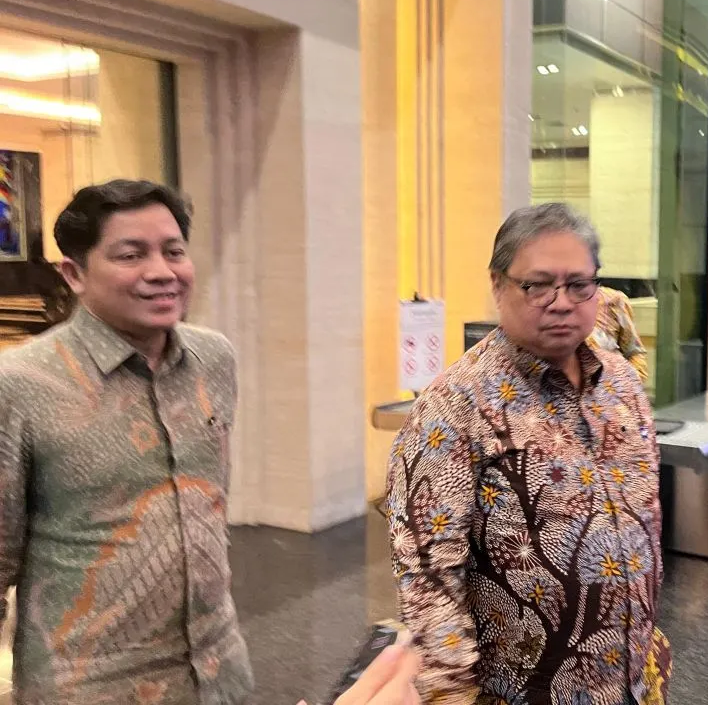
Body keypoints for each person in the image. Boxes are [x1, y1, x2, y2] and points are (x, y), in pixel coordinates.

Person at [0, 179, 421, 705]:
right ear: (74, 274)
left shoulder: (212, 359)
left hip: (219, 673)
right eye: (131, 255)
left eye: (173, 251)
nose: (161, 271)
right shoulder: (22, 384)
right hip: (92, 687)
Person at [385, 202, 671, 705]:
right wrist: (450, 696)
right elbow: (429, 576)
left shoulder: (622, 384)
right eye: (537, 285)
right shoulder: (454, 407)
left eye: (579, 284)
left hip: (633, 677)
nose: (561, 303)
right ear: (498, 285)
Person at [588, 285, 650, 384]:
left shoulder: (612, 300)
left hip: (610, 386)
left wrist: (626, 386)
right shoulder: (561, 304)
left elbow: (634, 353)